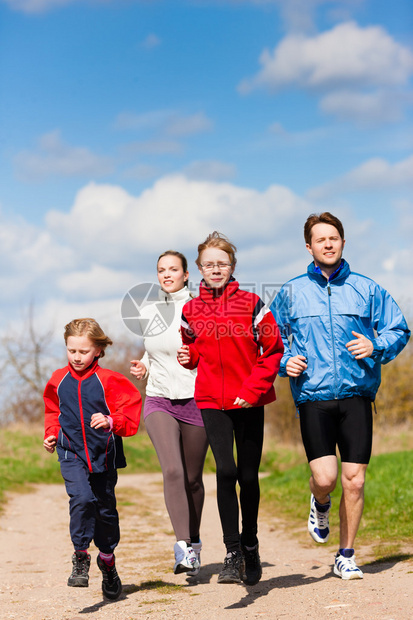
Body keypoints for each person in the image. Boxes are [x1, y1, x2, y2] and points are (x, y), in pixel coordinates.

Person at [271, 212, 410, 580]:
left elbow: (399, 328)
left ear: (343, 242)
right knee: (327, 477)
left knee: (356, 479)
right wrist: (286, 362)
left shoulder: (367, 289)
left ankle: (346, 554)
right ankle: (320, 502)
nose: (328, 244)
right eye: (320, 239)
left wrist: (376, 344)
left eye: (334, 238)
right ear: (309, 246)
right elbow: (269, 341)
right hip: (313, 397)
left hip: (356, 394)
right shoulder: (290, 293)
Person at [177, 231, 283, 586]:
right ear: (199, 269)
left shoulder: (253, 303)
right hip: (211, 400)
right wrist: (187, 357)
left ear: (232, 266)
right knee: (225, 472)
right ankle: (233, 551)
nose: (215, 269)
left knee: (248, 475)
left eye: (222, 263)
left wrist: (252, 390)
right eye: (209, 264)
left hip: (249, 400)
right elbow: (192, 351)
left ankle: (250, 543)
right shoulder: (190, 310)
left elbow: (272, 350)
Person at [43, 318, 141, 599]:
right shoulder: (58, 380)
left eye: (83, 351)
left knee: (105, 512)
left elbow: (130, 413)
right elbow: (52, 410)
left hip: (103, 455)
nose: (76, 357)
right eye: (71, 350)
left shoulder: (109, 380)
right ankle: (81, 556)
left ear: (97, 350)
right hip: (70, 452)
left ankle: (107, 561)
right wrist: (52, 433)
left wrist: (111, 421)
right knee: (81, 499)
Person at [130, 251, 209, 577]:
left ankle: (194, 541)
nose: (166, 275)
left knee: (192, 478)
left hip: (195, 399)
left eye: (172, 269)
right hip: (159, 398)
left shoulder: (200, 308)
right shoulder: (150, 310)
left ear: (186, 274)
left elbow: (214, 351)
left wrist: (195, 353)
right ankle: (181, 546)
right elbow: (154, 350)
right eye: (161, 270)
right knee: (173, 471)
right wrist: (143, 365)